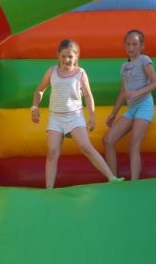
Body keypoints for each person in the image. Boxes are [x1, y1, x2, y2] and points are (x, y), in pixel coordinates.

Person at [31, 39, 124, 189]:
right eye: (63, 56)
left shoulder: (80, 73)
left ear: (76, 56)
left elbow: (88, 95)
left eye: (70, 56)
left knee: (85, 146)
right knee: (52, 152)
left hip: (74, 116)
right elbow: (39, 90)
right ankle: (49, 189)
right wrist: (35, 107)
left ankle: (111, 177)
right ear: (58, 55)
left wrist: (92, 116)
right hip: (56, 117)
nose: (67, 60)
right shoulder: (52, 71)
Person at [102, 29, 156, 180]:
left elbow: (155, 83)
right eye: (128, 44)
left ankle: (134, 183)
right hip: (131, 109)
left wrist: (137, 93)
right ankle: (113, 179)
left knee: (133, 145)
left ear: (141, 46)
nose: (131, 47)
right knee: (107, 140)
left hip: (144, 106)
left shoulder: (144, 60)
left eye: (135, 44)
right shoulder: (125, 66)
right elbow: (123, 92)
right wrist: (114, 113)